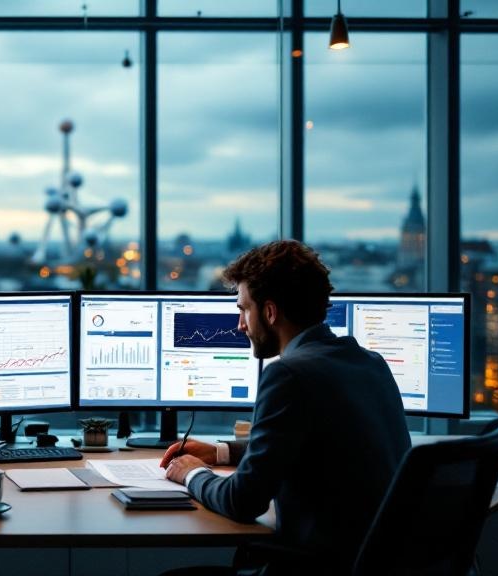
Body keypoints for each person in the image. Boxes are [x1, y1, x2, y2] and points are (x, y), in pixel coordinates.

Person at [160, 240, 411, 574]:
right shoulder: (371, 362)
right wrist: (221, 452)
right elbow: (310, 444)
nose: (240, 325)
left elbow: (242, 501)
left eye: (243, 309)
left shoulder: (288, 374)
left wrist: (191, 472)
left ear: (270, 312)